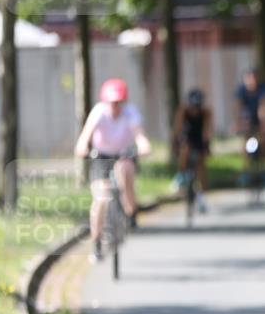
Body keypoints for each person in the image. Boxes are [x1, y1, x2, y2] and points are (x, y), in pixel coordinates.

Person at [73, 78, 152, 263]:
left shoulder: (130, 114)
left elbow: (140, 136)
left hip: (124, 154)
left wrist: (144, 146)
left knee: (126, 171)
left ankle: (130, 210)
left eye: (118, 103)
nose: (115, 107)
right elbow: (85, 137)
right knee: (100, 198)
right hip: (101, 156)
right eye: (111, 103)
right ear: (105, 101)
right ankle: (97, 241)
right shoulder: (98, 113)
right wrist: (83, 148)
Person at [171, 88, 213, 212]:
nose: (194, 109)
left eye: (197, 106)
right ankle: (180, 176)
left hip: (199, 139)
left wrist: (206, 147)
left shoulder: (206, 113)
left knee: (201, 166)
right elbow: (177, 130)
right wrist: (176, 144)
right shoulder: (183, 112)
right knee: (185, 151)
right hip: (186, 138)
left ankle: (202, 197)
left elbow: (206, 131)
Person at [232, 68, 265, 183]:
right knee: (245, 144)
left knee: (263, 142)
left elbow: (263, 108)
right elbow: (237, 108)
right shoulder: (241, 91)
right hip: (246, 120)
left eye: (254, 78)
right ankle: (246, 171)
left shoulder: (263, 89)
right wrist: (238, 123)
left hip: (258, 120)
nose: (251, 81)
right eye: (249, 79)